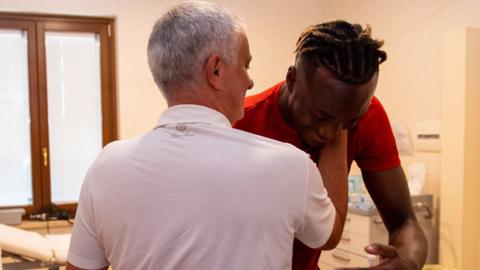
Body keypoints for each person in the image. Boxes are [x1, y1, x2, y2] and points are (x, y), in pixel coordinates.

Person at [66, 2, 346, 270]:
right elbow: (329, 236)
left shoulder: (106, 166)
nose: (250, 81)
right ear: (215, 70)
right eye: (245, 66)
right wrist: (339, 123)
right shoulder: (290, 166)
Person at [234, 21, 428, 270]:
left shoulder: (370, 116)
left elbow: (404, 221)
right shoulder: (241, 123)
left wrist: (407, 263)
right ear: (292, 80)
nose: (331, 133)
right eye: (319, 117)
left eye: (350, 121)